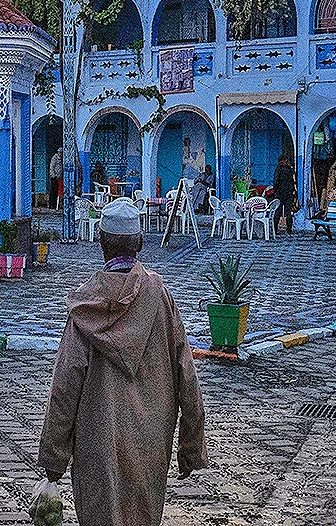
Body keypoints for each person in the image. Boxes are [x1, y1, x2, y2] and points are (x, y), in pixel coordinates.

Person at [39, 198, 206, 525]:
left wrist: (54, 460)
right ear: (141, 242)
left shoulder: (85, 305)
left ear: (100, 242)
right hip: (150, 443)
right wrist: (190, 446)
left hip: (96, 444)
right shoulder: (161, 297)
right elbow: (186, 372)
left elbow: (66, 385)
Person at [273, 153, 299, 234]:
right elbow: (294, 182)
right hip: (289, 193)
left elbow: (275, 181)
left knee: (278, 212)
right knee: (289, 212)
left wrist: (276, 191)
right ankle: (289, 230)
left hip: (280, 193)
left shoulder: (278, 169)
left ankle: (275, 229)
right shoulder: (291, 170)